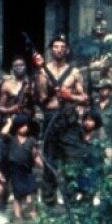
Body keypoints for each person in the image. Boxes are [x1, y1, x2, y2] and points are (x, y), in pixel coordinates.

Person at [33, 34, 89, 206]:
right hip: (51, 118)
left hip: (68, 119)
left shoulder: (74, 72)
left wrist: (69, 96)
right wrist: (40, 72)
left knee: (73, 159)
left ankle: (71, 200)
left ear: (67, 50)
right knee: (49, 160)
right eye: (56, 47)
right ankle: (49, 201)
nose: (59, 50)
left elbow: (84, 98)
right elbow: (41, 97)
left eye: (62, 47)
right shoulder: (43, 71)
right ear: (51, 50)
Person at [1, 116, 42, 220]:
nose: (25, 128)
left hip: (27, 170)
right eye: (22, 126)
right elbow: (4, 132)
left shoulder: (31, 140)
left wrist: (42, 165)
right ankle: (18, 217)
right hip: (15, 170)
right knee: (17, 195)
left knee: (32, 191)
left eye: (26, 126)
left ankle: (33, 213)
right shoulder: (12, 139)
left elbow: (35, 155)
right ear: (17, 127)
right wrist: (9, 122)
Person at [0, 55, 36, 159]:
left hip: (26, 123)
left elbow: (38, 101)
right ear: (12, 68)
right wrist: (11, 109)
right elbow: (0, 107)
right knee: (6, 152)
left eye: (21, 65)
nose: (19, 68)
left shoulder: (32, 84)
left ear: (25, 66)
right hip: (11, 122)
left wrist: (31, 94)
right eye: (16, 66)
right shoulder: (7, 85)